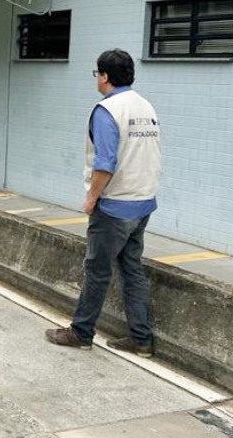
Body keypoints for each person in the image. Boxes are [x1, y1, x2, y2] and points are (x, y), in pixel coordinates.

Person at [46, 48, 162, 357]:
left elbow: (105, 162)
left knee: (97, 270)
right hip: (143, 203)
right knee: (131, 269)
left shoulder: (107, 110)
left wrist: (91, 197)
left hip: (114, 207)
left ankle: (81, 332)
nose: (97, 79)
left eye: (97, 74)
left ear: (105, 76)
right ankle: (141, 339)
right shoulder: (145, 106)